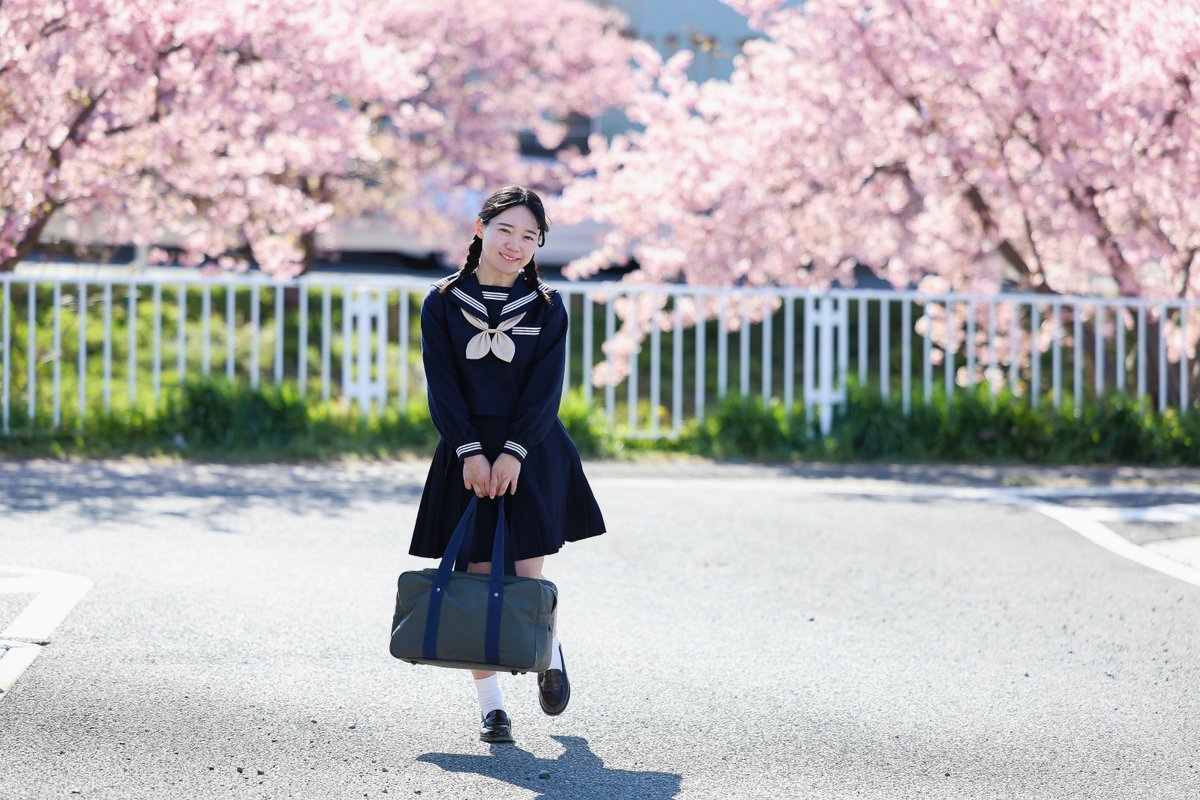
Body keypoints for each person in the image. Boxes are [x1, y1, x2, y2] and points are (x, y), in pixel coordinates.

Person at [409, 185, 606, 744]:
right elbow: (442, 386)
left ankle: (549, 652)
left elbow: (546, 391)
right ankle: (491, 707)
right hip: (464, 451)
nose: (515, 244)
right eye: (505, 231)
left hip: (533, 450)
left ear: (539, 243)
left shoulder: (547, 306)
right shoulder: (443, 302)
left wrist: (514, 452)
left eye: (529, 236)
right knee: (473, 581)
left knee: (523, 577)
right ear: (480, 228)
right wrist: (470, 451)